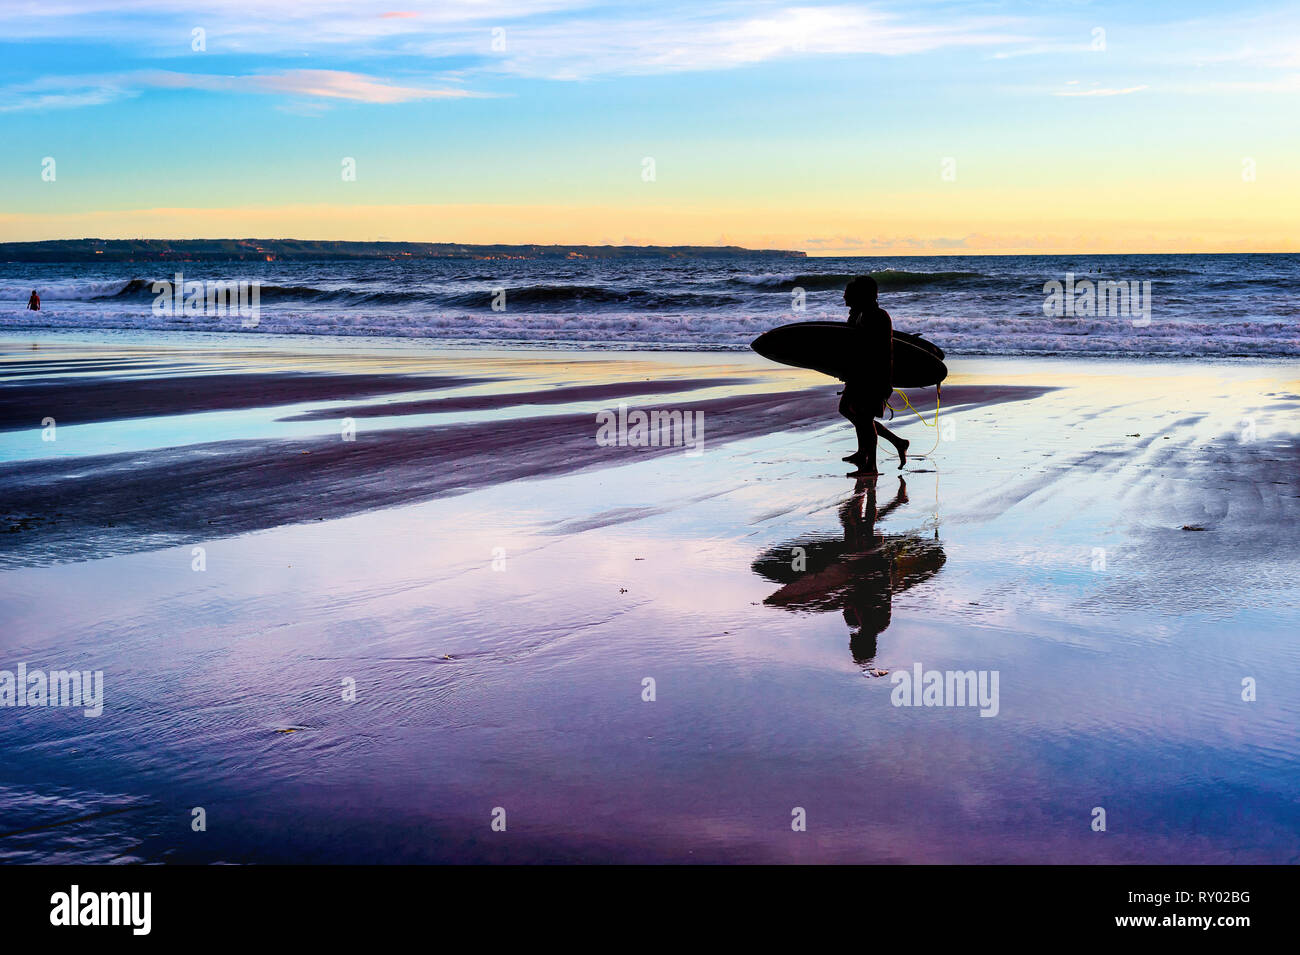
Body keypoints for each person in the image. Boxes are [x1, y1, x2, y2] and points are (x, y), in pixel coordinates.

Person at [839, 276, 908, 474]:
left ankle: (871, 466)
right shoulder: (861, 314)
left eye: (848, 293)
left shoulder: (876, 316)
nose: (844, 296)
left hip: (874, 376)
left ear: (861, 295)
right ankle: (891, 444)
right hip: (860, 375)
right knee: (847, 409)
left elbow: (869, 351)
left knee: (864, 418)